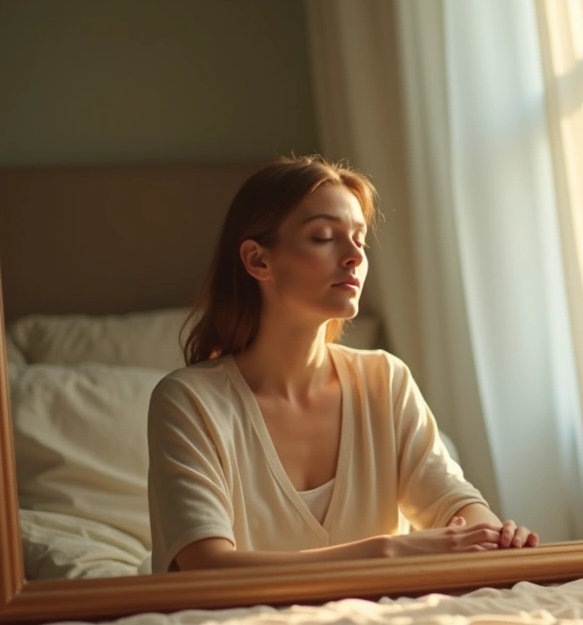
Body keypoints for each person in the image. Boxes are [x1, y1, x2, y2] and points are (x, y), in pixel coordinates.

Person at [147, 155, 538, 573]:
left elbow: (454, 503)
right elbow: (207, 566)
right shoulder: (189, 401)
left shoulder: (384, 380)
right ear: (258, 260)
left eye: (360, 240)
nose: (354, 256)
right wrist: (389, 552)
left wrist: (493, 536)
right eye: (324, 237)